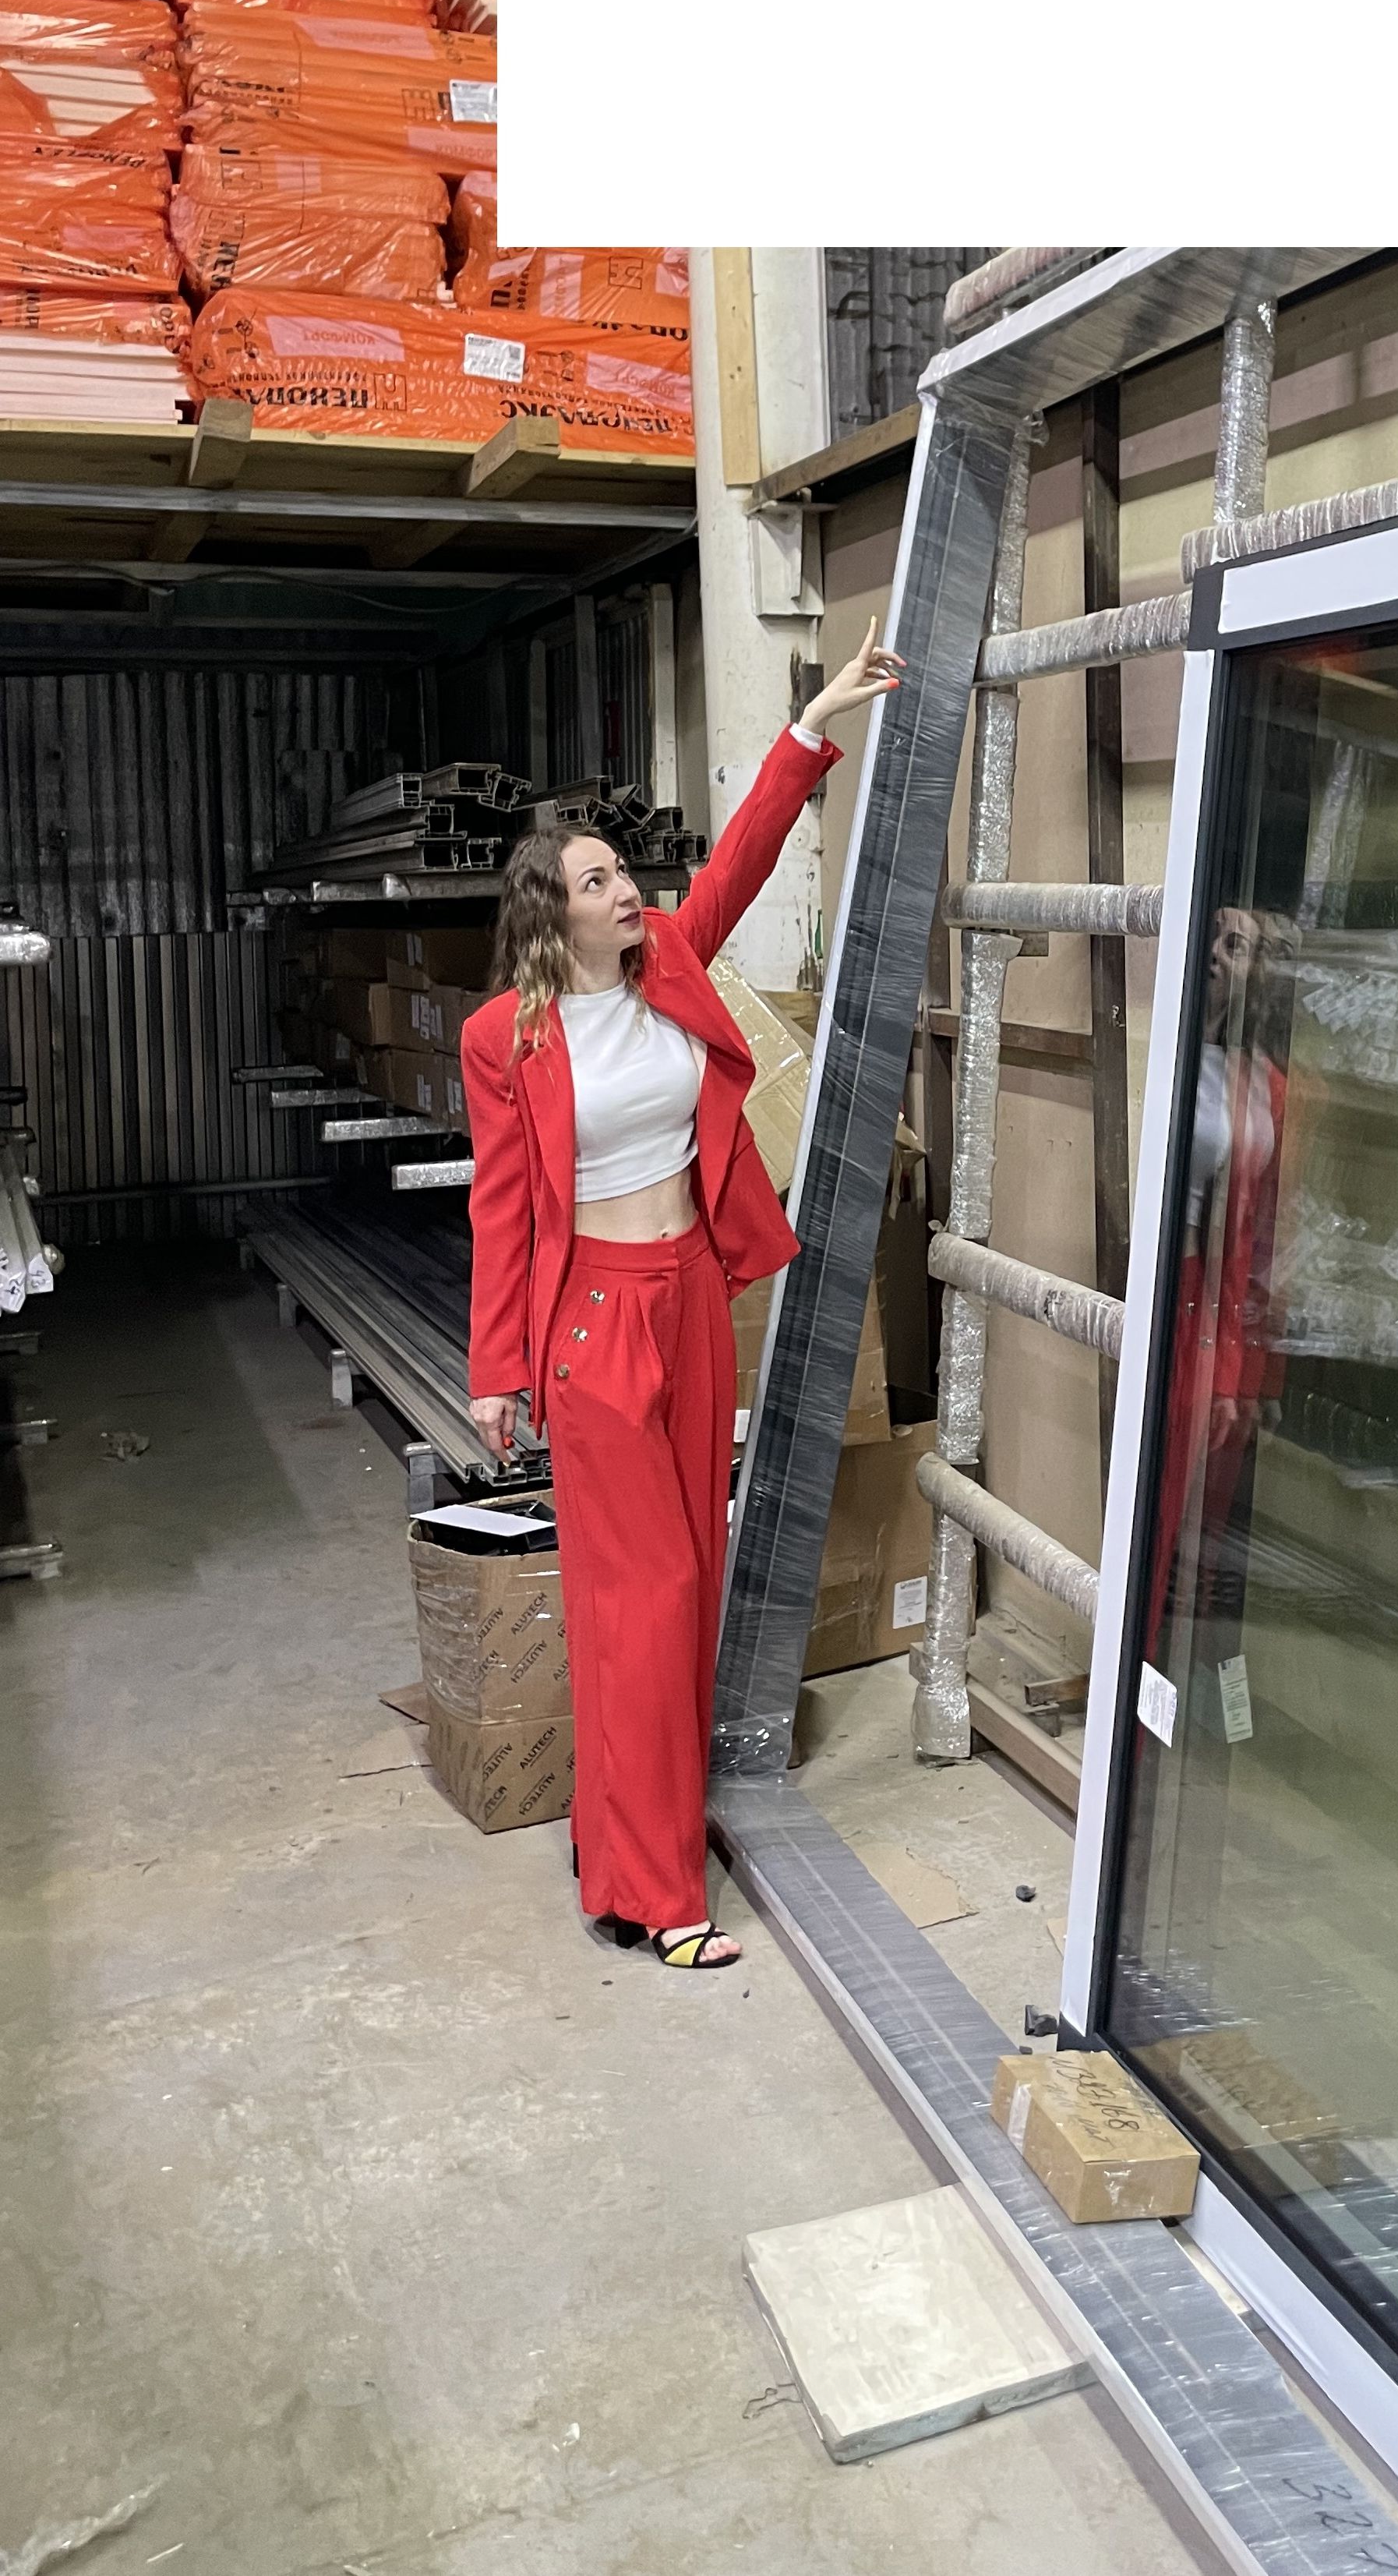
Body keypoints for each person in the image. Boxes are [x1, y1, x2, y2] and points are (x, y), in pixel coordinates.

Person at [462, 620, 902, 1969]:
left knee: (684, 1585)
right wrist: (496, 1370)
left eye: (623, 872)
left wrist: (811, 726)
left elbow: (745, 854)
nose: (627, 890)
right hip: (592, 1319)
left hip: (694, 1297)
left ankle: (619, 1839)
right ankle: (660, 1897)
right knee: (644, 1599)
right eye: (599, 879)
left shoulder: (673, 964)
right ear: (552, 911)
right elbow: (502, 1208)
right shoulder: (505, 1037)